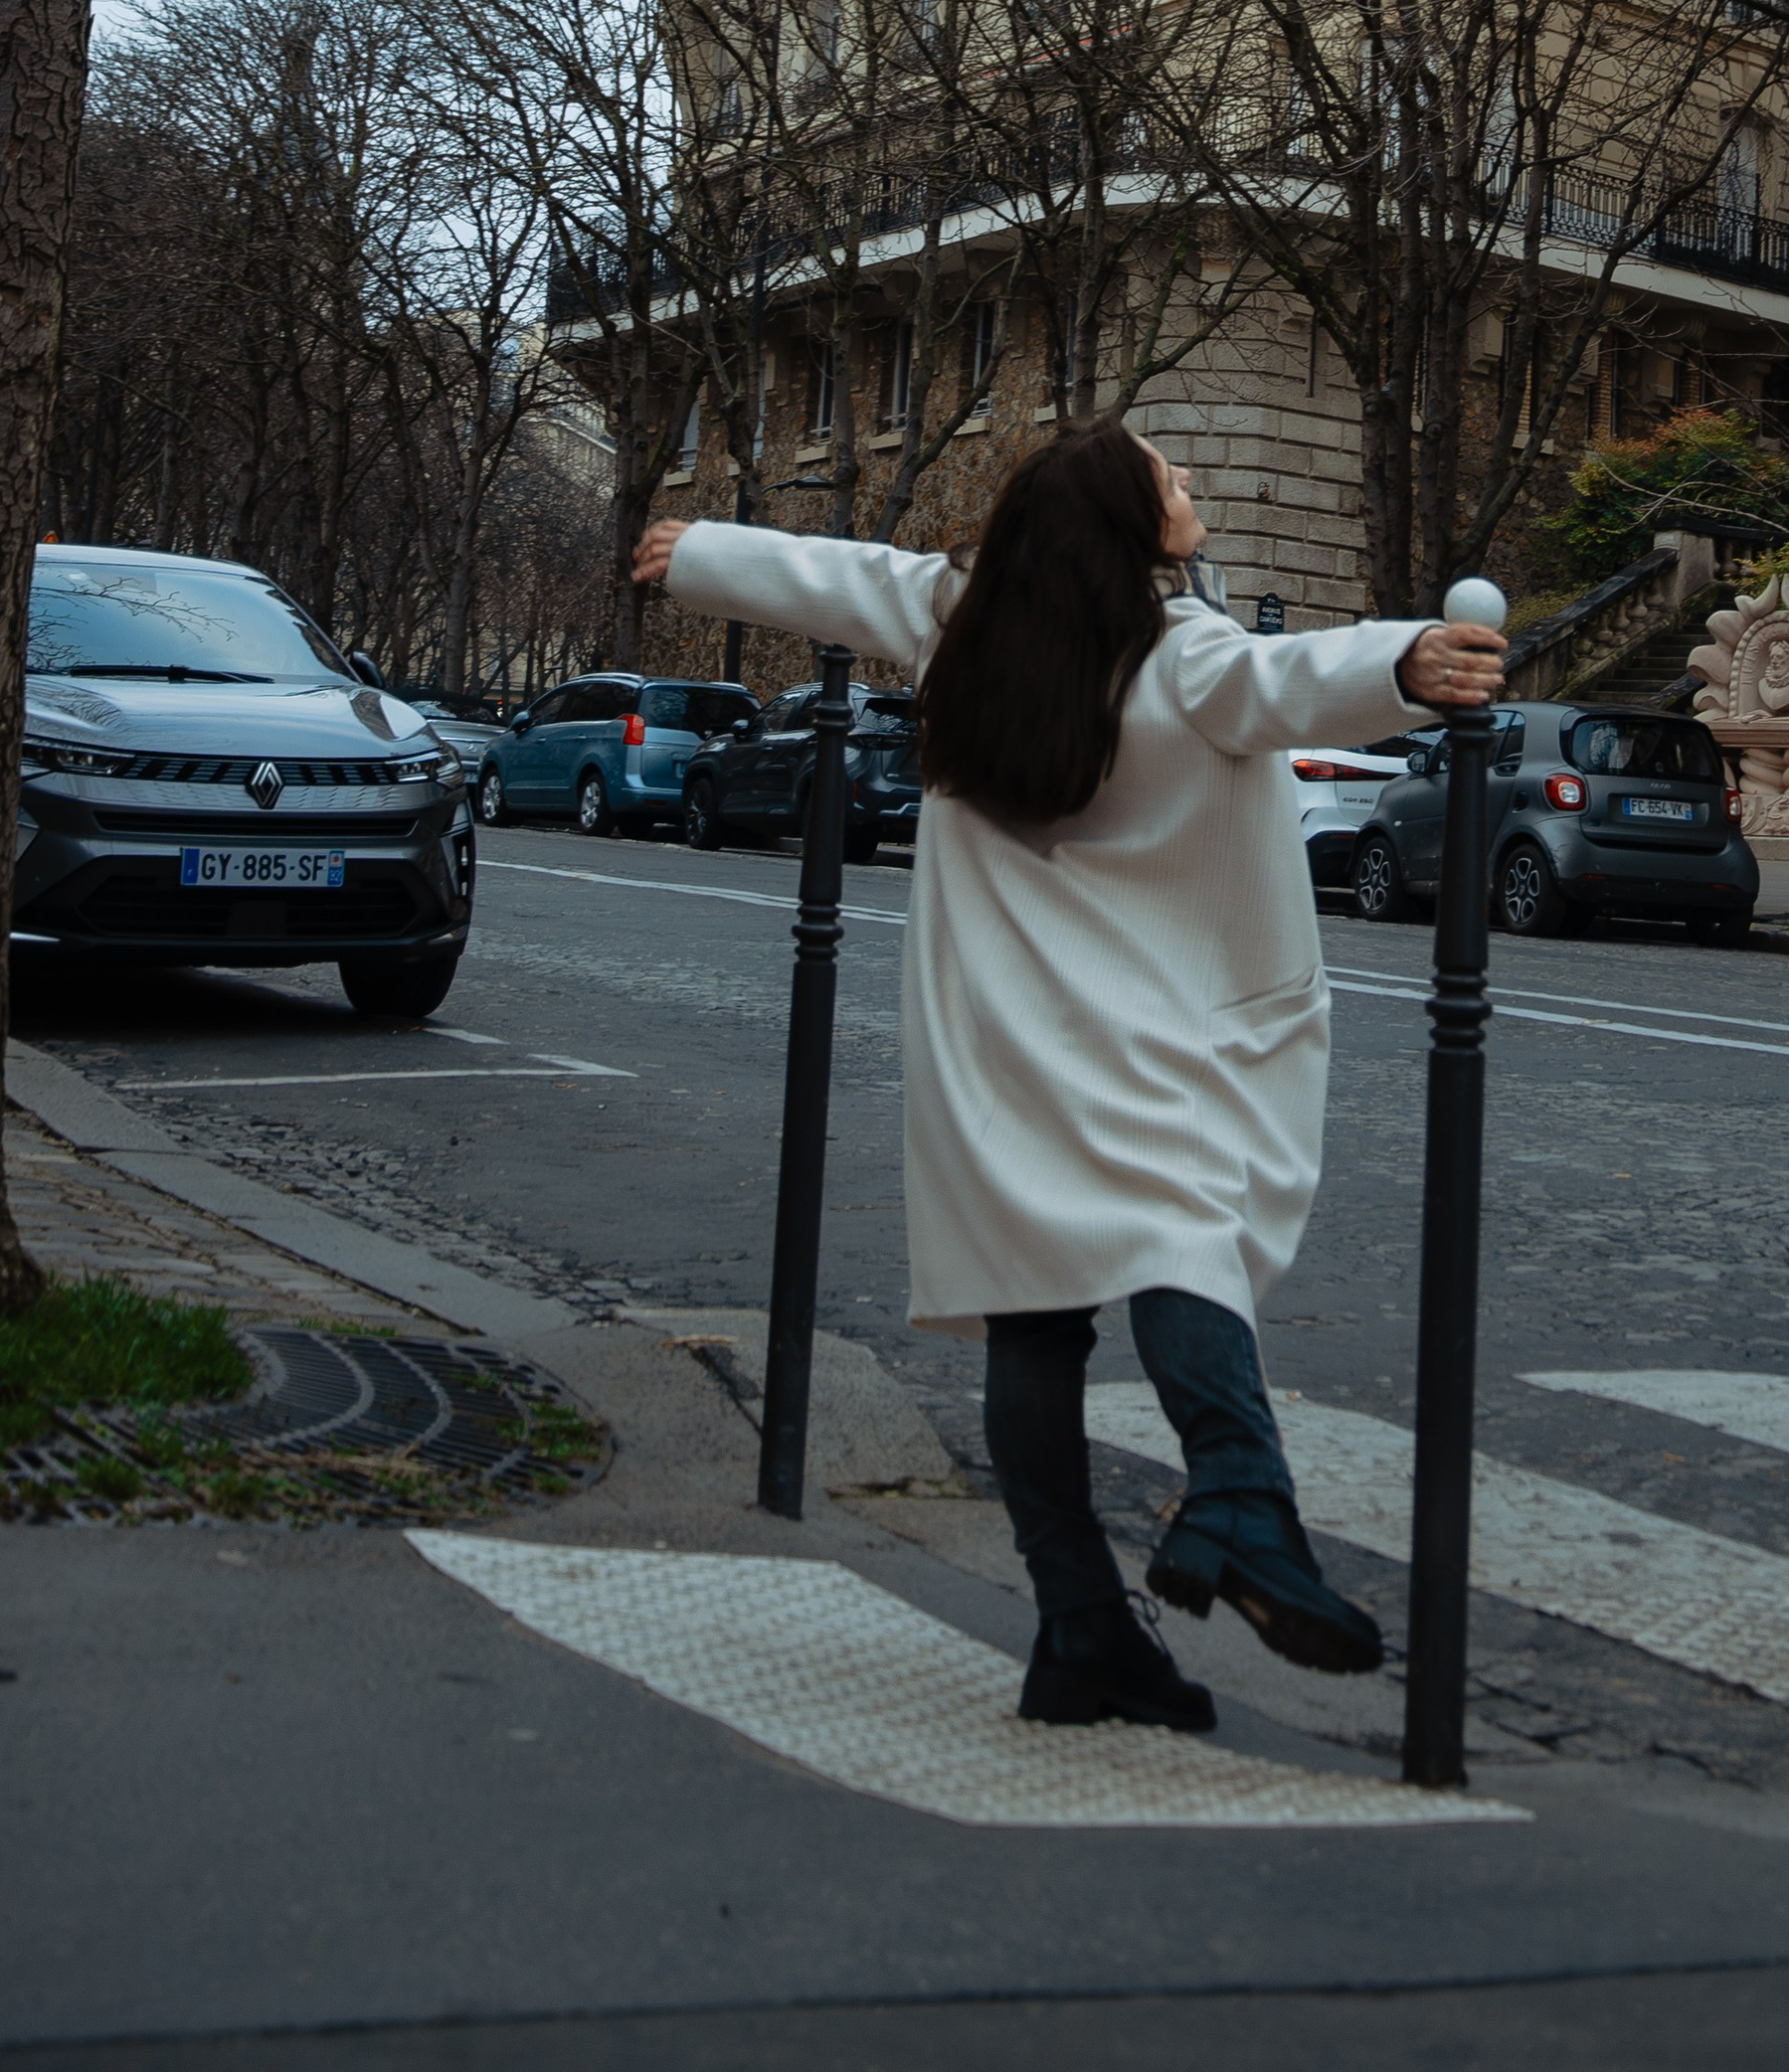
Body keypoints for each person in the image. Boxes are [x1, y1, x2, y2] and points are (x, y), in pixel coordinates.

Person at [634, 414, 1507, 1735]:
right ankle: (1239, 1499)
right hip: (1157, 1036)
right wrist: (1409, 660)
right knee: (1180, 1241)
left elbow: (839, 573)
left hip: (1001, 1037)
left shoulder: (960, 622)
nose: (1192, 485)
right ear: (1127, 520)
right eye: (1171, 477)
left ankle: (1081, 1631)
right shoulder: (1182, 657)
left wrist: (696, 549)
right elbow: (1288, 680)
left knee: (1034, 1313)